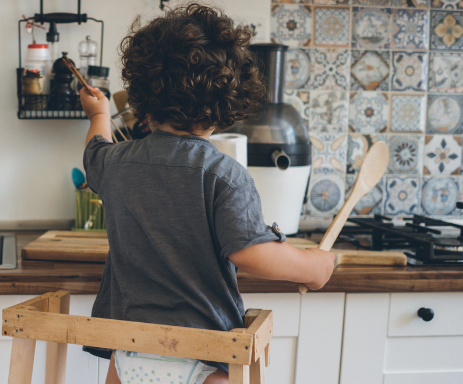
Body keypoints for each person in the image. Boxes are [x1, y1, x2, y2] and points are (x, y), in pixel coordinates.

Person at [78, 4, 336, 384]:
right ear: (226, 104)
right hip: (204, 352)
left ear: (144, 94)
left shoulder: (115, 162)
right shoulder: (225, 174)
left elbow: (93, 150)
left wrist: (98, 113)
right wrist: (315, 267)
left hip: (129, 349)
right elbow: (250, 252)